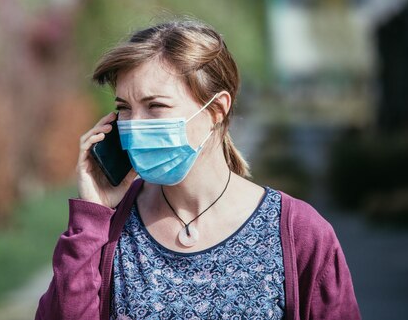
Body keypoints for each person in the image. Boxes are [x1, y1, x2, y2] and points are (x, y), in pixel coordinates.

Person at [35, 20, 361, 320]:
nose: (133, 126)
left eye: (155, 106)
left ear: (217, 109)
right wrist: (92, 215)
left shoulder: (299, 233)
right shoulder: (109, 228)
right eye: (124, 108)